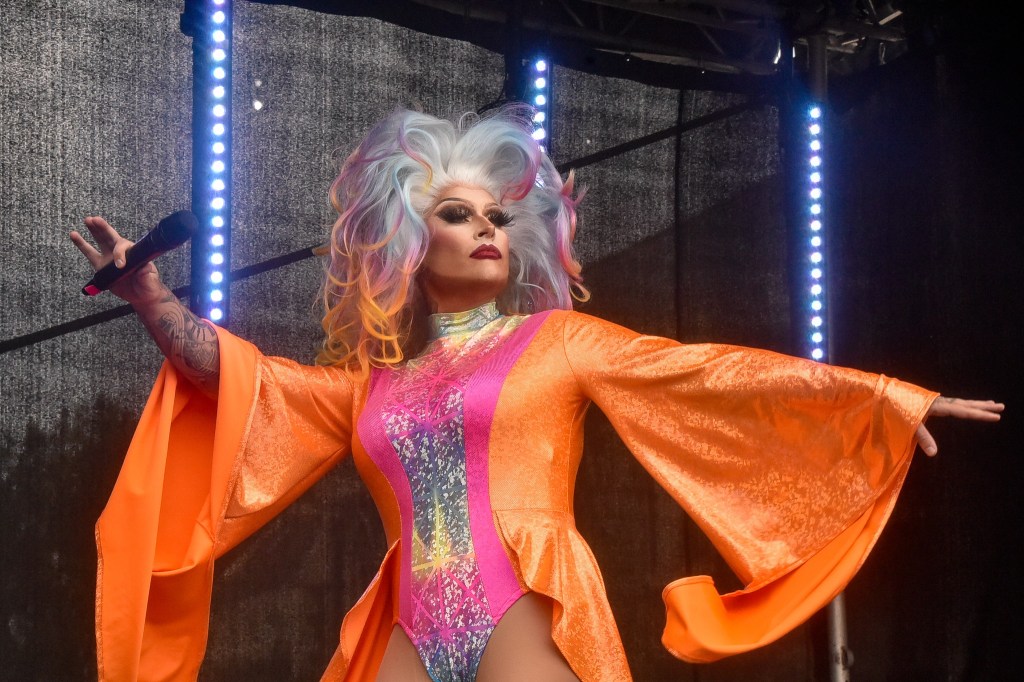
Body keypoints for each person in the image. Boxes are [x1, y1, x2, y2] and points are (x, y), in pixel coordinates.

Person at [72, 107, 1002, 682]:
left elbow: (710, 374)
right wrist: (148, 294)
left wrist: (884, 400)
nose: (486, 231)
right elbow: (235, 380)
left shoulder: (556, 343)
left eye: (498, 218)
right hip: (403, 621)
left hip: (527, 609)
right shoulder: (372, 391)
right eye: (457, 214)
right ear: (409, 239)